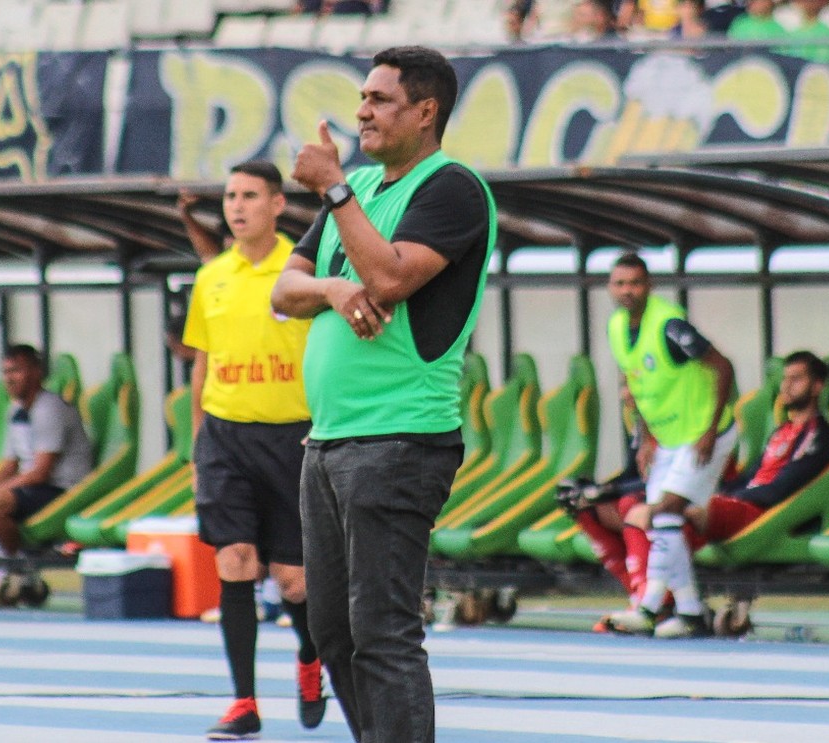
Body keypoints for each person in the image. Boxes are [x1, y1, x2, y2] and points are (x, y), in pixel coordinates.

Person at [272, 45, 496, 743]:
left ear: (426, 112)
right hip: (329, 440)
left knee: (383, 632)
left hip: (399, 439)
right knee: (332, 630)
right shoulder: (363, 189)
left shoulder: (451, 188)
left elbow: (393, 278)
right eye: (362, 97)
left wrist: (335, 190)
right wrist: (334, 287)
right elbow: (286, 291)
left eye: (379, 99)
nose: (361, 110)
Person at [182, 160, 325, 740]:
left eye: (249, 196)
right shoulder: (211, 276)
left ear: (277, 205)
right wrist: (197, 447)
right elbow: (202, 364)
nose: (236, 207)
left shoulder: (303, 274)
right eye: (230, 197)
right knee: (235, 561)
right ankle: (243, 702)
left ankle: (311, 656)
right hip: (225, 437)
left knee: (294, 580)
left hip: (292, 438)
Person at [604, 252, 738, 639]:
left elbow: (722, 365)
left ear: (649, 286)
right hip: (667, 440)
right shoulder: (616, 327)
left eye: (635, 283)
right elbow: (636, 382)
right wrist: (645, 439)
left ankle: (646, 608)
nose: (627, 291)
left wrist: (710, 430)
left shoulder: (669, 326)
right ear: (610, 288)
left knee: (661, 510)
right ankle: (691, 613)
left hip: (702, 436)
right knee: (663, 521)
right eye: (620, 283)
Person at [688, 350, 829, 635]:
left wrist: (730, 500)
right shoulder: (780, 432)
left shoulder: (819, 436)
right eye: (785, 379)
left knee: (680, 513)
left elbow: (781, 490)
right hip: (746, 506)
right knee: (655, 510)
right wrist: (722, 493)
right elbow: (749, 478)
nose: (786, 386)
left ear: (817, 386)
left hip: (765, 516)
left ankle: (673, 603)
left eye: (797, 379)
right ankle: (667, 598)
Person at [0, 345, 92, 606]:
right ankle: (2, 566)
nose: (9, 378)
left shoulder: (50, 408)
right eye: (5, 372)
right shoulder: (15, 410)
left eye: (16, 371)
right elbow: (9, 465)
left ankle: (14, 568)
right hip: (30, 486)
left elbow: (41, 472)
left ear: (36, 373)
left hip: (59, 489)